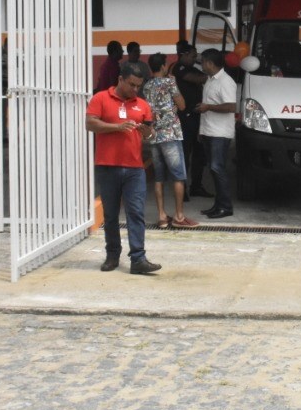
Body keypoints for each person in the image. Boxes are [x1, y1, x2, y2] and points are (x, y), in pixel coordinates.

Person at [86, 62, 161, 274]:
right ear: (120, 79)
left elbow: (150, 134)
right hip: (107, 166)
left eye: (139, 86)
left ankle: (138, 258)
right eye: (131, 85)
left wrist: (148, 133)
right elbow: (90, 124)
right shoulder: (101, 98)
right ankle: (112, 255)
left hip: (134, 168)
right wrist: (116, 127)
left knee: (136, 213)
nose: (135, 90)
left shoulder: (142, 105)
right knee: (110, 215)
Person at [144, 53, 199, 229]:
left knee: (159, 177)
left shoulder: (146, 85)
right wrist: (174, 105)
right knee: (178, 176)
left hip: (154, 135)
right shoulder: (169, 82)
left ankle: (161, 217)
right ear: (162, 66)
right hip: (170, 134)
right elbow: (182, 105)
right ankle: (179, 216)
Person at [197, 48, 237, 219]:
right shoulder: (210, 80)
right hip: (209, 130)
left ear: (210, 63)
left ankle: (226, 206)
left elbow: (231, 107)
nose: (201, 65)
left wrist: (208, 107)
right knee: (213, 169)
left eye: (203, 61)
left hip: (220, 133)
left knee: (217, 168)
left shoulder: (226, 82)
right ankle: (218, 205)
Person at [173, 41, 210, 199]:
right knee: (185, 154)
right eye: (194, 56)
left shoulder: (193, 68)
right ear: (185, 55)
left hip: (198, 117)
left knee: (200, 153)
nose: (196, 59)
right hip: (185, 118)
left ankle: (197, 186)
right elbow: (197, 79)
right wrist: (211, 72)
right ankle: (183, 189)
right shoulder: (178, 68)